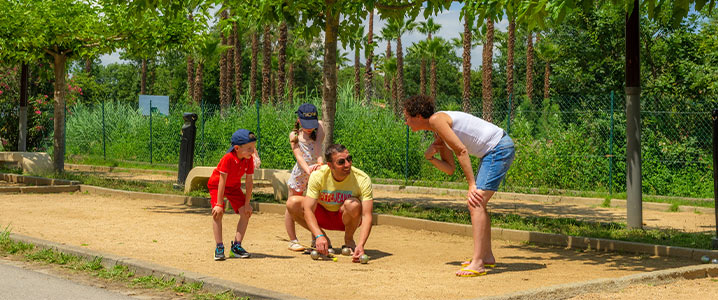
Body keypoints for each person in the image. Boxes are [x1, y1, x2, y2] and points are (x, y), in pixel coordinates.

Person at [403, 95, 515, 277]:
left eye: (407, 117)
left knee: (475, 203)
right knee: (478, 203)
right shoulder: (437, 129)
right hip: (494, 150)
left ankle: (478, 263)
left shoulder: (437, 120)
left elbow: (461, 150)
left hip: (498, 148)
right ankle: (486, 257)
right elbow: (449, 168)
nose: (406, 122)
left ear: (418, 116)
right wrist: (430, 158)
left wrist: (472, 184)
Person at [286, 144, 374, 262]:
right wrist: (318, 235)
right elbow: (308, 209)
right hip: (323, 217)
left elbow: (367, 215)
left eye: (349, 159)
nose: (347, 164)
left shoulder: (362, 179)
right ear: (330, 165)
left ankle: (349, 240)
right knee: (292, 202)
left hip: (345, 218)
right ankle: (324, 240)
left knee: (353, 204)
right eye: (341, 162)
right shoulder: (318, 175)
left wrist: (361, 244)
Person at [208, 129, 257, 261]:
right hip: (217, 185)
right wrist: (219, 204)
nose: (253, 152)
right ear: (236, 148)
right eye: (249, 148)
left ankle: (236, 247)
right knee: (218, 212)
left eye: (253, 148)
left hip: (233, 187)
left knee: (246, 213)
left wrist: (247, 204)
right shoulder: (228, 158)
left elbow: (249, 182)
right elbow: (222, 182)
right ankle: (219, 247)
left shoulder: (249, 159)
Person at [286, 103, 325, 252]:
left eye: (312, 124)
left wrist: (319, 163)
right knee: (291, 205)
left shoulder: (320, 127)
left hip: (316, 171)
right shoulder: (294, 135)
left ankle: (315, 238)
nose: (310, 128)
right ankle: (293, 240)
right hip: (302, 173)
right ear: (299, 119)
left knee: (312, 206)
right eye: (306, 124)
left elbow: (318, 146)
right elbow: (299, 156)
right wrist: (308, 170)